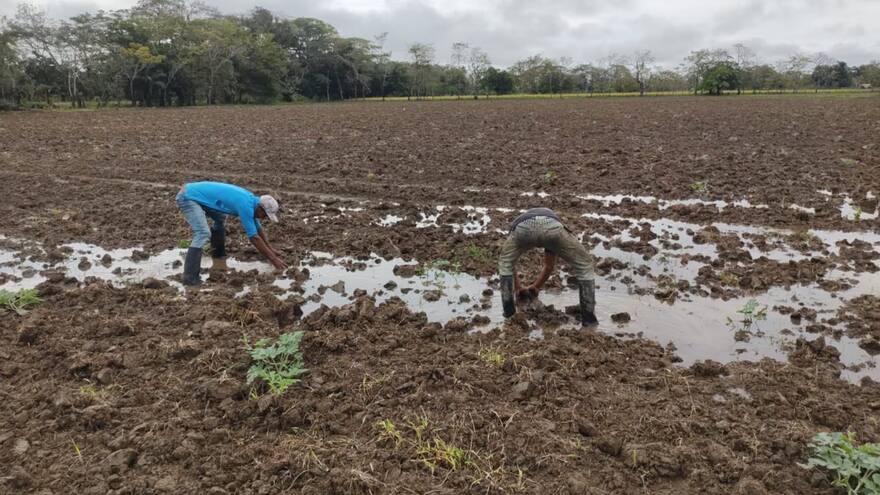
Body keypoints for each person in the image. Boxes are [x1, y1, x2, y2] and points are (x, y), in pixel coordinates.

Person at [498, 207, 598, 326]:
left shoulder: (519, 219)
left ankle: (510, 317)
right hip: (552, 228)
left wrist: (519, 288)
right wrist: (536, 286)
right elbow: (549, 266)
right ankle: (589, 321)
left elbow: (511, 265)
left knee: (506, 264)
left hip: (523, 228)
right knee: (585, 265)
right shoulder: (552, 217)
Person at [176, 181, 287, 286]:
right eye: (265, 216)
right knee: (202, 233)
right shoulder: (246, 205)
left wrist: (271, 250)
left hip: (197, 195)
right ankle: (190, 278)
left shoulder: (252, 202)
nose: (264, 218)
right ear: (261, 209)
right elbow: (254, 237)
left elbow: (258, 229)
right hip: (188, 197)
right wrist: (273, 259)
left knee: (220, 218)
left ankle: (218, 255)